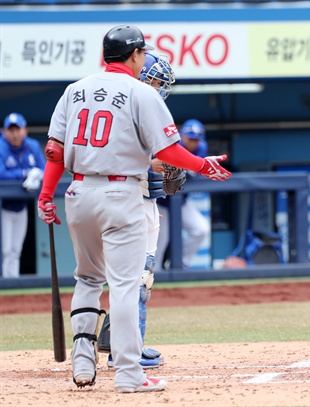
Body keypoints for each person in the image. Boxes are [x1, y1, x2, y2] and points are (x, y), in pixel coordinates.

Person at [36, 24, 231, 393]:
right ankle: (128, 373)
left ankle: (82, 359)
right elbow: (170, 153)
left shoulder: (73, 90)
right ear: (136, 55)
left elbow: (55, 152)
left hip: (78, 191)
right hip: (120, 193)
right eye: (142, 54)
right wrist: (204, 166)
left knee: (88, 278)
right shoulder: (141, 92)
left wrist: (46, 195)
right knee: (124, 286)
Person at [104, 52, 178, 370]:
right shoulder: (126, 108)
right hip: (126, 201)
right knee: (134, 280)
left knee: (141, 281)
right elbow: (117, 154)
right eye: (157, 81)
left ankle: (132, 345)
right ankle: (123, 351)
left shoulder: (145, 108)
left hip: (143, 203)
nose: (161, 88)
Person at [155, 119, 210, 270]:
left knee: (201, 229)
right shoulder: (173, 146)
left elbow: (194, 172)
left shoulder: (201, 148)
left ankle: (179, 262)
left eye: (196, 139)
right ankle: (155, 271)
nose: (193, 143)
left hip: (181, 203)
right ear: (182, 136)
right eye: (190, 138)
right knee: (161, 238)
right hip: (161, 203)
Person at [0, 113, 45, 278]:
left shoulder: (32, 146)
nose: (14, 134)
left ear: (25, 130)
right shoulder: (1, 147)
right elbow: (1, 174)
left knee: (15, 250)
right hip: (3, 207)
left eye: (17, 129)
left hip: (22, 207)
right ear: (4, 132)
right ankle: (6, 286)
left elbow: (45, 169)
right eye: (10, 130)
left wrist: (37, 174)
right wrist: (26, 173)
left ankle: (13, 283)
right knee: (5, 250)